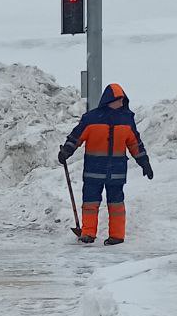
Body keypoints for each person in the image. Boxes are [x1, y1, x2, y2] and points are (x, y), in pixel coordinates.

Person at [58, 82, 153, 245]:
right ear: (109, 100)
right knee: (90, 203)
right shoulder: (91, 118)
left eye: (123, 100)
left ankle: (117, 236)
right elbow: (76, 137)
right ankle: (88, 233)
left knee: (116, 205)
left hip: (115, 172)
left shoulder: (126, 120)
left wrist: (144, 162)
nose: (122, 103)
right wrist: (66, 151)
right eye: (118, 99)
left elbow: (135, 144)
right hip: (94, 170)